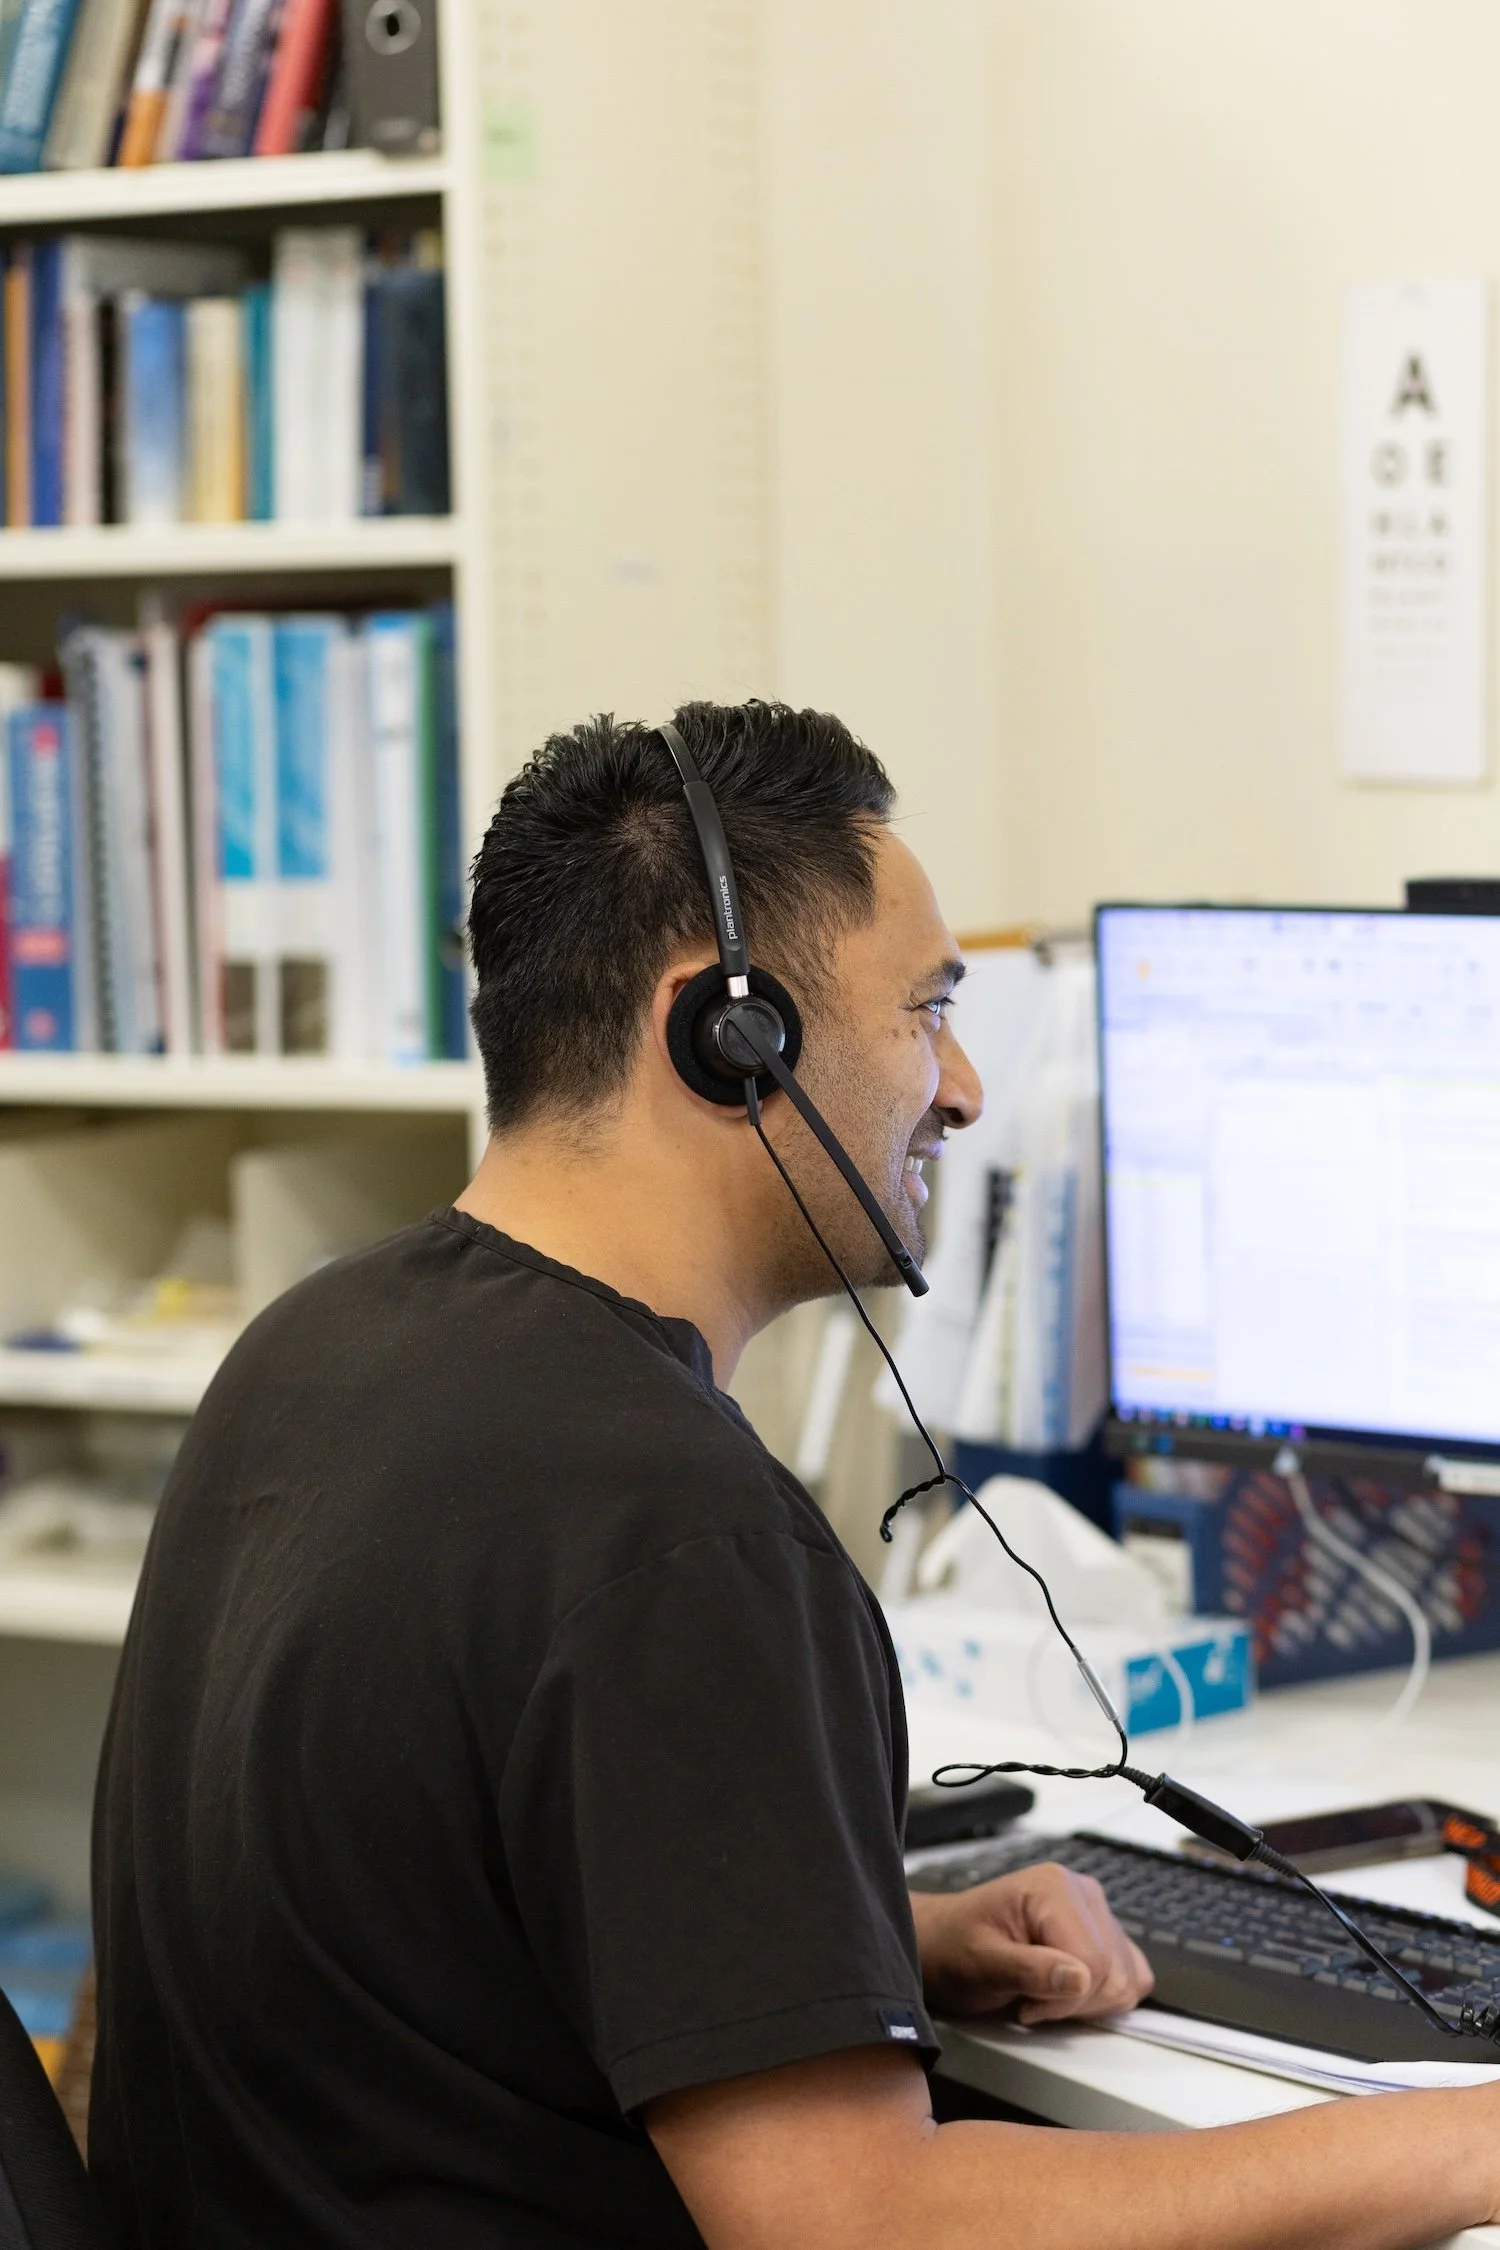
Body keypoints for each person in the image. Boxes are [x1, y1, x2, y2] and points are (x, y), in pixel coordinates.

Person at [91, 701, 1500, 2250]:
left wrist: (876, 1938)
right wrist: (1459, 2140)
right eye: (926, 1010)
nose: (960, 1086)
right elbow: (861, 2227)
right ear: (730, 1035)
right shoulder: (671, 1530)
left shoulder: (316, 1347)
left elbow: (437, 1914)